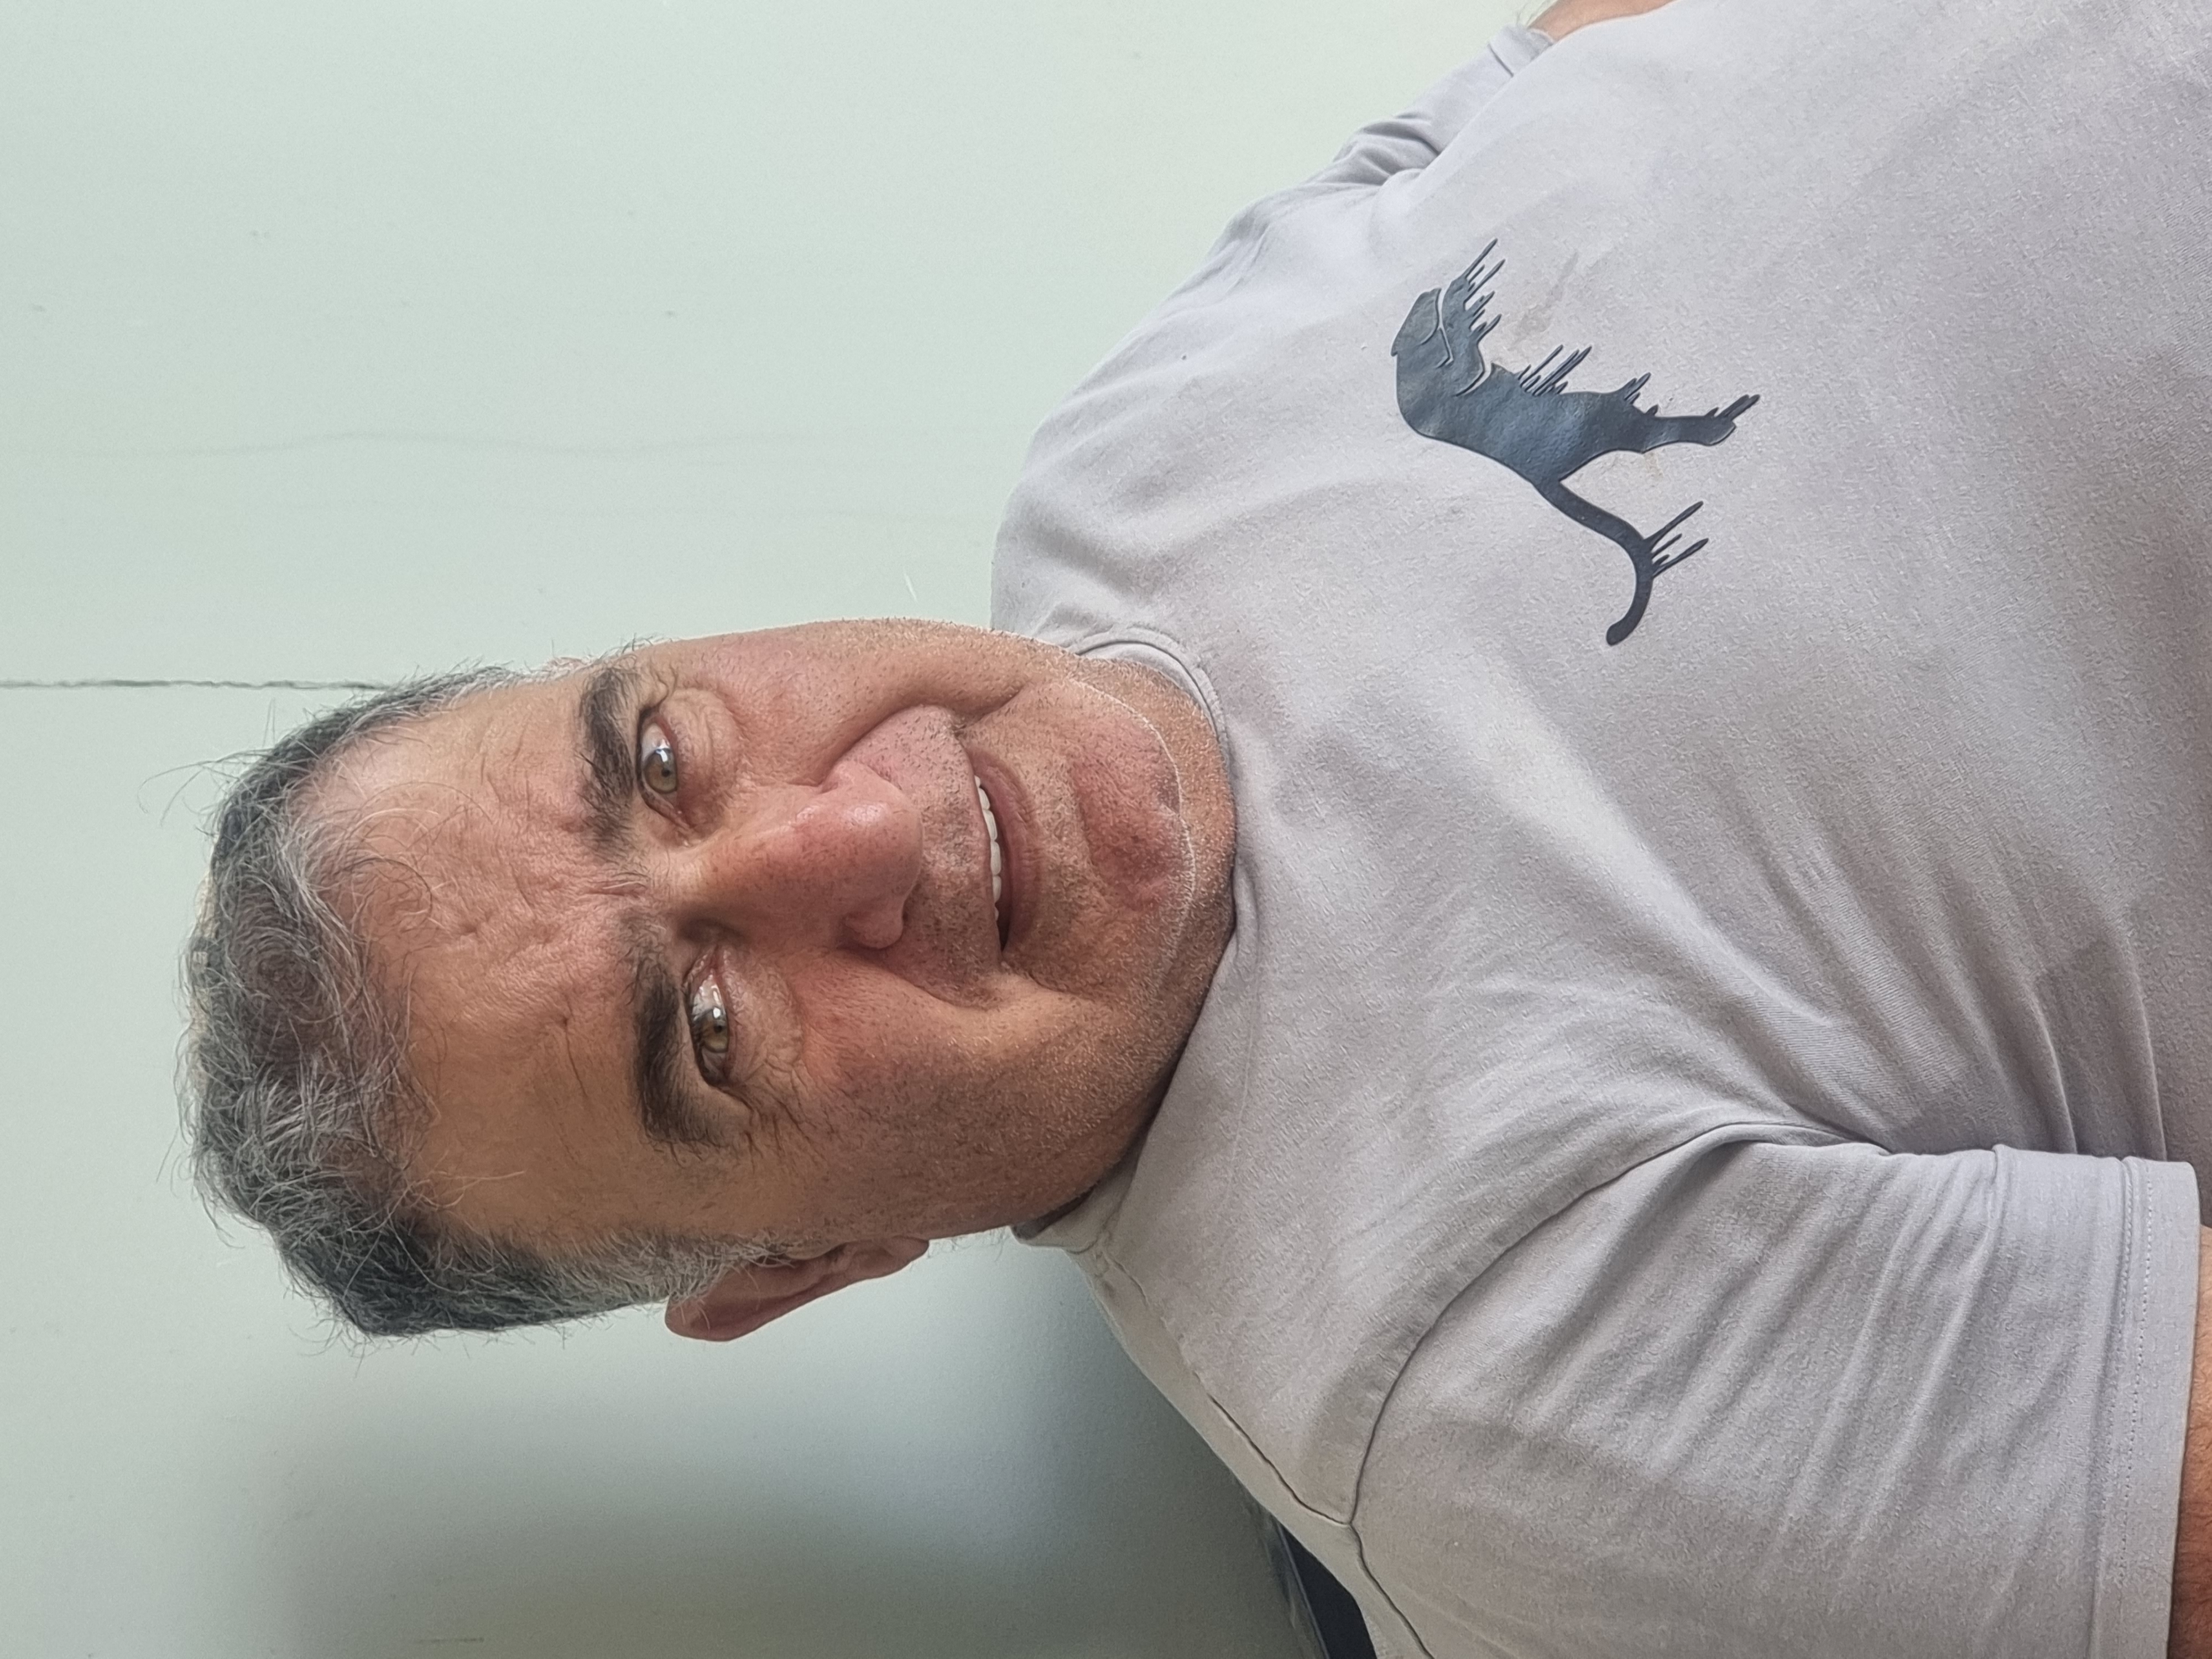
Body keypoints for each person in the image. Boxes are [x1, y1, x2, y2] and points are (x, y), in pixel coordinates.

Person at [184, 0, 2212, 1652]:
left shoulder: (1111, 464)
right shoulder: (1474, 1399)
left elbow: (1608, 57)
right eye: (709, 1033)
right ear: (804, 1264)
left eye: (661, 760)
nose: (845, 840)